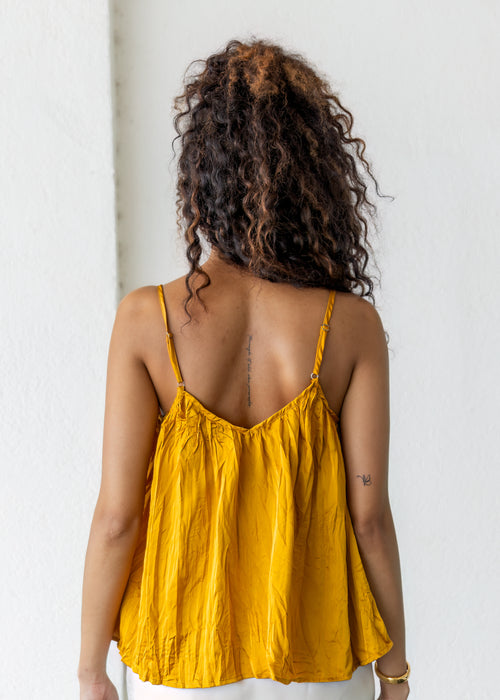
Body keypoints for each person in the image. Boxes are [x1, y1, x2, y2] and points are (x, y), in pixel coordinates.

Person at [78, 37, 410, 700]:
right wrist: (395, 670)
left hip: (180, 656)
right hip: (317, 661)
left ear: (202, 174)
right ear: (313, 178)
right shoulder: (351, 326)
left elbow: (117, 517)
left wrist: (91, 672)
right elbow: (369, 516)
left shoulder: (147, 319)